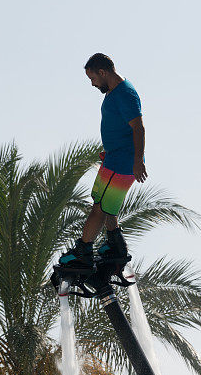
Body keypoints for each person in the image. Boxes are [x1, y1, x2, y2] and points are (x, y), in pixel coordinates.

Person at [58, 53, 147, 272]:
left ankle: (83, 252)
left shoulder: (125, 94)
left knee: (99, 208)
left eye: (93, 78)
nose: (92, 84)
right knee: (101, 199)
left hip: (124, 163)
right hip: (113, 158)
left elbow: (139, 127)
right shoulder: (114, 92)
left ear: (102, 72)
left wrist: (137, 161)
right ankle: (115, 244)